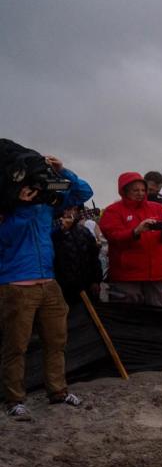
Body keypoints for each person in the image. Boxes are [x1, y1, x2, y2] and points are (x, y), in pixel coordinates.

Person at [1, 151, 92, 420]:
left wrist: (63, 172)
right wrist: (22, 207)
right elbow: (5, 239)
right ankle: (15, 400)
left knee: (57, 341)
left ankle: (58, 391)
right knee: (16, 346)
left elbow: (84, 192)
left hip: (48, 282)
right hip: (15, 284)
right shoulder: (8, 206)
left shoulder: (46, 202)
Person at [100, 172, 162, 307]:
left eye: (143, 190)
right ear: (124, 190)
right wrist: (136, 231)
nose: (140, 193)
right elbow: (113, 236)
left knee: (159, 316)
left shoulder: (158, 208)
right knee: (129, 317)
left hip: (156, 274)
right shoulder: (113, 211)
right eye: (135, 190)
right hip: (128, 275)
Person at [51, 206, 103, 304]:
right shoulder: (51, 233)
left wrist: (96, 280)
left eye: (74, 209)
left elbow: (94, 257)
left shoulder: (84, 231)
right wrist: (63, 232)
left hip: (86, 283)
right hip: (62, 285)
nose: (70, 213)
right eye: (67, 209)